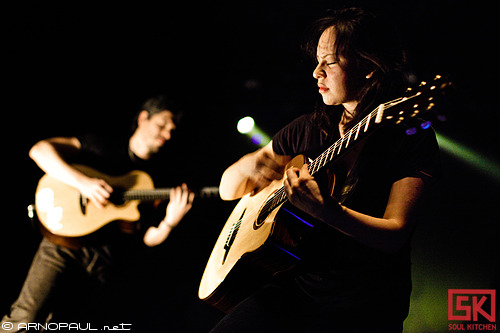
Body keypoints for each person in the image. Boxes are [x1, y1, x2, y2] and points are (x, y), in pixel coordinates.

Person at [211, 7, 441, 333]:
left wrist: (324, 210)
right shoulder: (307, 128)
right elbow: (227, 189)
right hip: (297, 286)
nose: (316, 72)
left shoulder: (409, 136)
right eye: (317, 60)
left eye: (329, 61)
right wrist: (253, 171)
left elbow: (394, 233)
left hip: (365, 304)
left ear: (369, 67)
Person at [1, 95, 195, 332]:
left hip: (103, 266)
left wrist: (169, 223)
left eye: (172, 130)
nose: (167, 133)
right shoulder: (102, 146)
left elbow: (147, 237)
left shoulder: (158, 178)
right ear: (143, 118)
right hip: (63, 245)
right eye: (163, 124)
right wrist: (83, 183)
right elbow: (40, 150)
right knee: (25, 320)